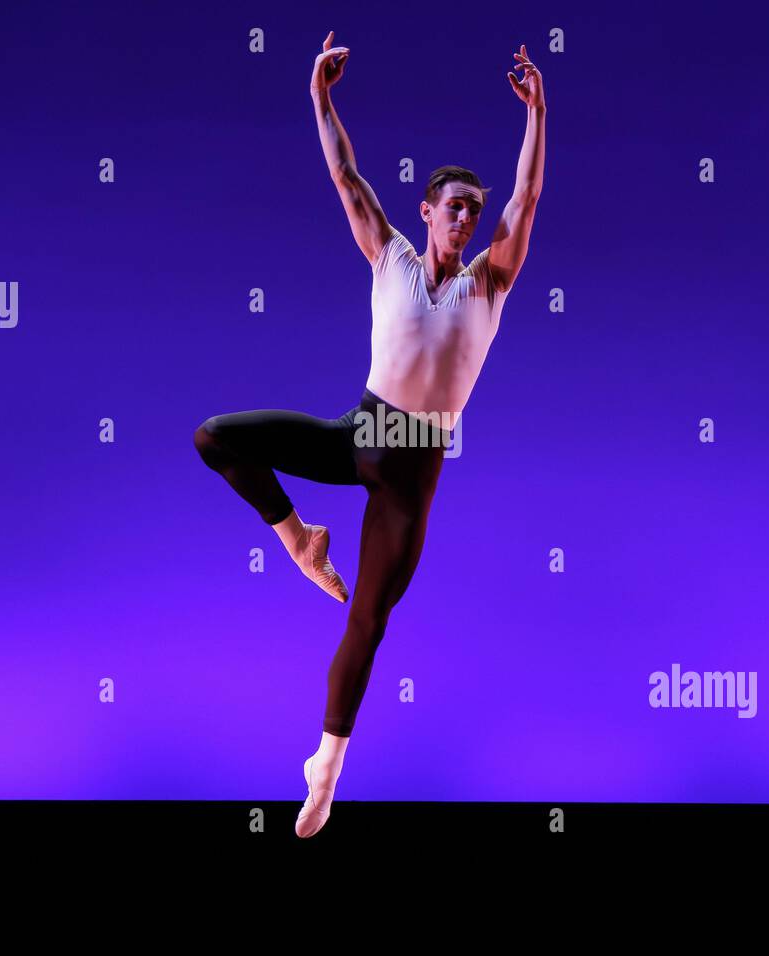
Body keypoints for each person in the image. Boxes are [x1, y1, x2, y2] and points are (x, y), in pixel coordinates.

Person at [194, 31, 545, 837]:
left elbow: (526, 197)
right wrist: (320, 98)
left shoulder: (491, 282)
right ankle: (296, 539)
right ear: (426, 213)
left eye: (473, 210)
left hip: (412, 475)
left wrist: (538, 115)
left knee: (368, 623)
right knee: (216, 436)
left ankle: (326, 766)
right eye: (452, 206)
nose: (466, 216)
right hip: (357, 431)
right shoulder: (388, 256)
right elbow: (346, 177)